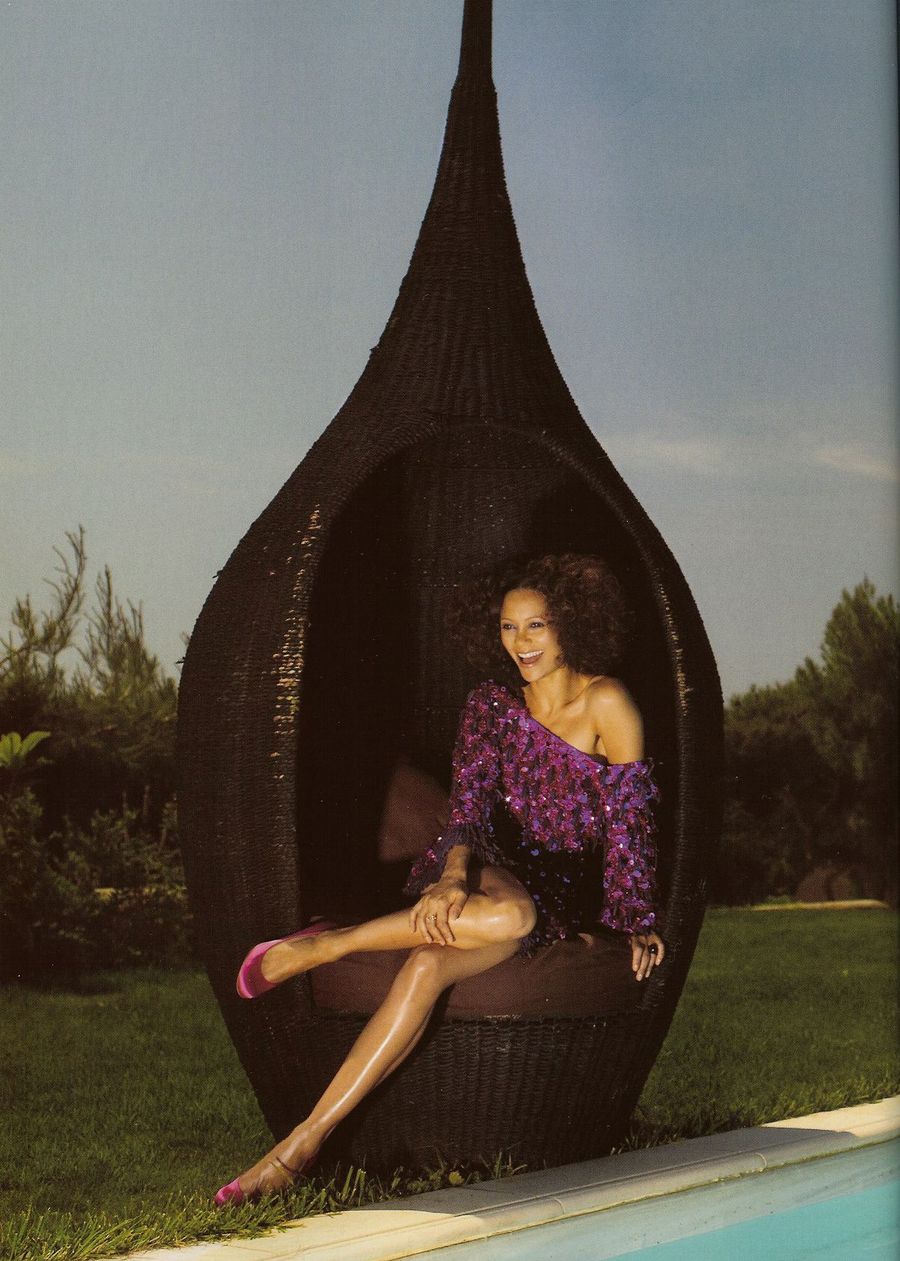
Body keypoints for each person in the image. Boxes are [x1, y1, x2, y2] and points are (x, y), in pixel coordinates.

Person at [215, 553, 666, 1205]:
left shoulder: (608, 700)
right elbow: (467, 809)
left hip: (556, 888)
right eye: (508, 627)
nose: (521, 643)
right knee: (509, 913)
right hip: (481, 861)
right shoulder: (490, 704)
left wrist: (634, 918)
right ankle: (320, 980)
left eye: (536, 625)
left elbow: (631, 820)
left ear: (571, 623)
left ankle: (302, 1136)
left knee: (429, 964)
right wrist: (453, 876)